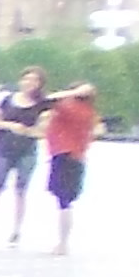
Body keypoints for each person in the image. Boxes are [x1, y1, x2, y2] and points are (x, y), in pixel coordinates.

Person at [0, 66, 51, 242]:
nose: (29, 83)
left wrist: (28, 130)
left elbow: (44, 130)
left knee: (21, 190)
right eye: (26, 79)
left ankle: (16, 230)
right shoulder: (8, 100)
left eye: (34, 80)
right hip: (4, 148)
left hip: (26, 150)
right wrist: (10, 125)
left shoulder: (43, 105)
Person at [41, 80, 100, 255]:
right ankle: (63, 242)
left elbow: (47, 99)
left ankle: (62, 243)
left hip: (64, 155)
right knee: (65, 202)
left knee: (63, 202)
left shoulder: (68, 107)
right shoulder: (90, 111)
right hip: (77, 157)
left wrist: (70, 93)